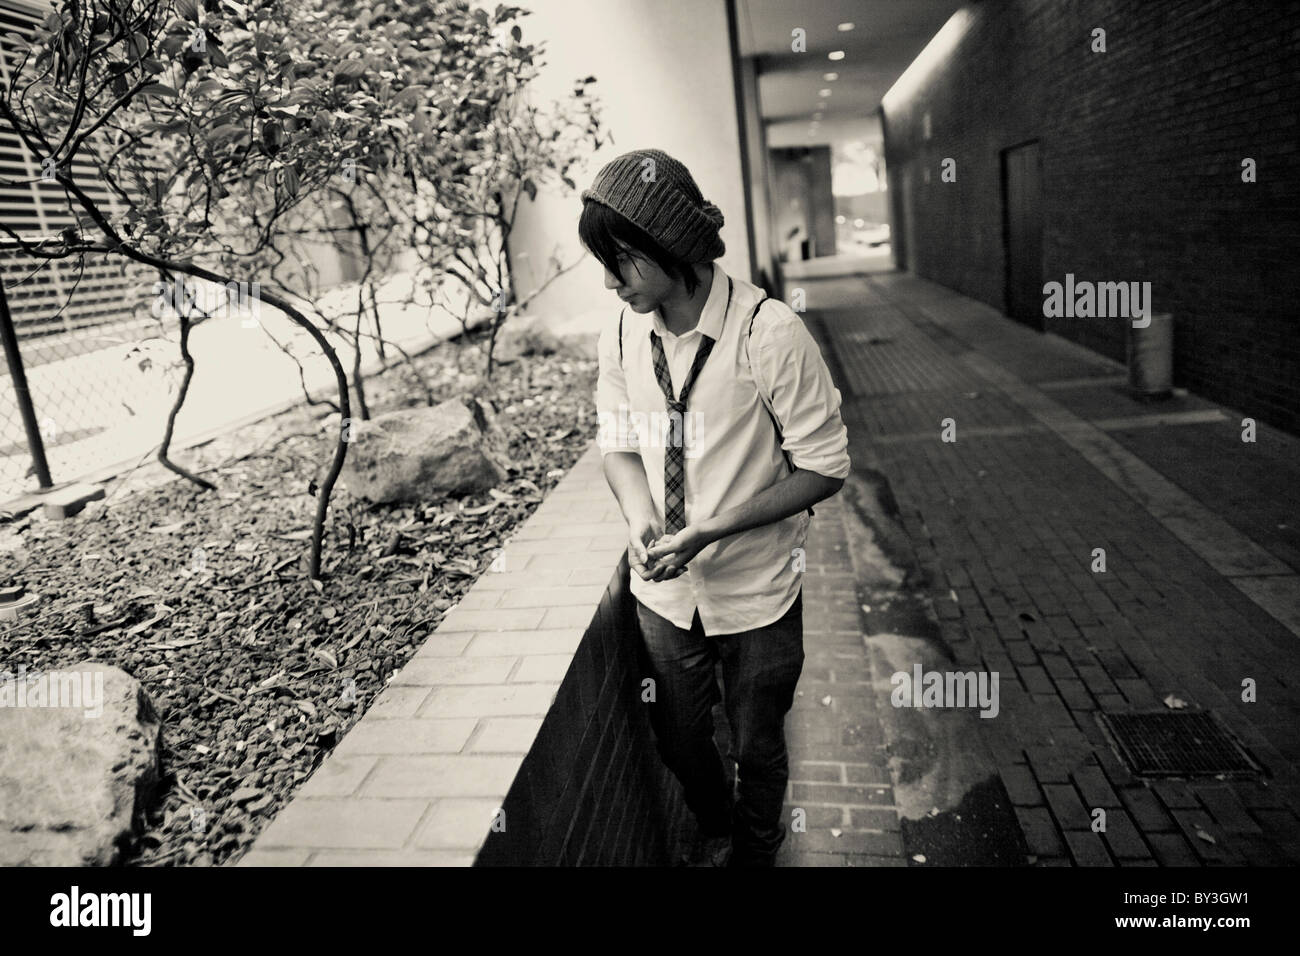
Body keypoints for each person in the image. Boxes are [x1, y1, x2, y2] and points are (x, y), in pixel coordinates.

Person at [581, 148, 851, 867]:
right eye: (603, 263)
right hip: (664, 595)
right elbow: (616, 442)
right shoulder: (618, 333)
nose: (611, 283)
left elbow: (825, 468)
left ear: (673, 249)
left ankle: (756, 852)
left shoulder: (769, 332)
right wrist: (641, 514)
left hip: (760, 587)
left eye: (624, 261)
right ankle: (719, 823)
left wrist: (711, 530)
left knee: (760, 745)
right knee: (676, 736)